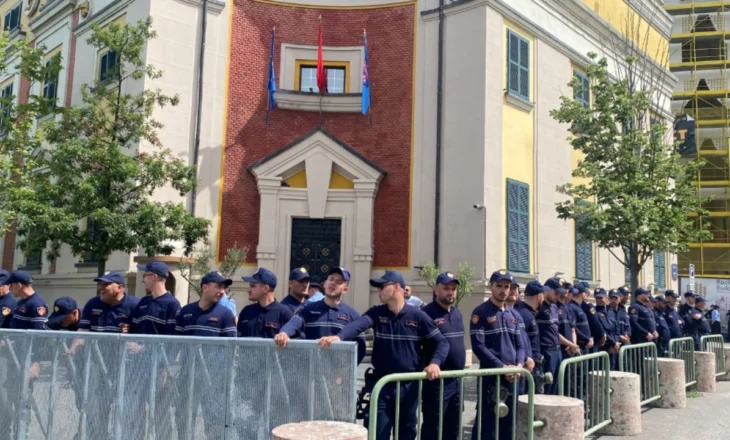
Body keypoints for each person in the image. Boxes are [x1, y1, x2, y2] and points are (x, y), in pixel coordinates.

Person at [317, 270, 448, 440]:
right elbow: (358, 325)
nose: (378, 291)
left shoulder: (418, 316)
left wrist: (435, 363)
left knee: (406, 433)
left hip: (409, 387)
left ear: (396, 287)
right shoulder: (377, 313)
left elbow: (442, 342)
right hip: (381, 384)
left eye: (382, 287)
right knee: (377, 432)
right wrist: (339, 336)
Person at [66, 271, 139, 440]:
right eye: (100, 284)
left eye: (106, 284)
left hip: (124, 365)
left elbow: (141, 334)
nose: (101, 288)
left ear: (120, 287)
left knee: (126, 406)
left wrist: (134, 340)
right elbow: (83, 331)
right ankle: (96, 435)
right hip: (96, 363)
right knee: (95, 404)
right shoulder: (93, 303)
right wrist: (73, 348)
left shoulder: (134, 305)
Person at [174, 271, 236, 440]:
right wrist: (168, 370)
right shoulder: (186, 311)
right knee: (184, 421)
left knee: (214, 424)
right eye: (219, 286)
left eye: (224, 288)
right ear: (205, 287)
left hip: (215, 380)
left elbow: (231, 348)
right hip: (188, 377)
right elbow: (175, 345)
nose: (222, 291)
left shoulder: (225, 314)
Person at [128, 260, 182, 440]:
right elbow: (133, 330)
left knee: (160, 414)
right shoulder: (143, 302)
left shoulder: (172, 304)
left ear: (154, 277)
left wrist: (165, 368)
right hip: (137, 369)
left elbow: (173, 341)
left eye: (145, 276)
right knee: (136, 411)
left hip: (158, 369)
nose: (143, 280)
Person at [469, 270, 524, 440]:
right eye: (499, 286)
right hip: (491, 377)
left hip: (513, 378)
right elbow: (479, 346)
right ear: (490, 286)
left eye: (507, 286)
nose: (503, 290)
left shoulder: (513, 314)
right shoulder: (481, 312)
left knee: (509, 423)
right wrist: (501, 368)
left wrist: (519, 366)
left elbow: (520, 345)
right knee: (487, 425)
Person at [276, 266, 366, 363]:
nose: (333, 283)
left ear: (345, 289)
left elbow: (360, 347)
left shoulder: (353, 315)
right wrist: (284, 333)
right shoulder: (308, 309)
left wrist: (346, 371)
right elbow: (294, 323)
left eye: (339, 282)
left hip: (336, 374)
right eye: (331, 279)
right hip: (310, 370)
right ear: (325, 283)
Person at [420, 271, 466, 440]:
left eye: (453, 288)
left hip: (457, 380)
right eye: (446, 288)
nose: (450, 292)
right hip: (437, 381)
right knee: (434, 425)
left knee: (453, 426)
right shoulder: (426, 313)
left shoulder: (457, 313)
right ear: (436, 290)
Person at [537, 278, 576, 395]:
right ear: (547, 290)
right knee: (545, 389)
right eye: (555, 293)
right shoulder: (539, 308)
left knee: (555, 388)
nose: (558, 296)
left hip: (557, 351)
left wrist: (571, 344)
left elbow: (555, 333)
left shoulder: (554, 307)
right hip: (546, 351)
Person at [237, 267, 293, 338]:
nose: (249, 290)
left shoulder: (284, 313)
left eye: (253, 286)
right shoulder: (246, 311)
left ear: (265, 288)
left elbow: (297, 343)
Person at [514, 281, 545, 391]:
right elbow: (518, 341)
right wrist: (526, 359)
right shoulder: (525, 314)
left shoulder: (526, 312)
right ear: (539, 297)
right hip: (528, 366)